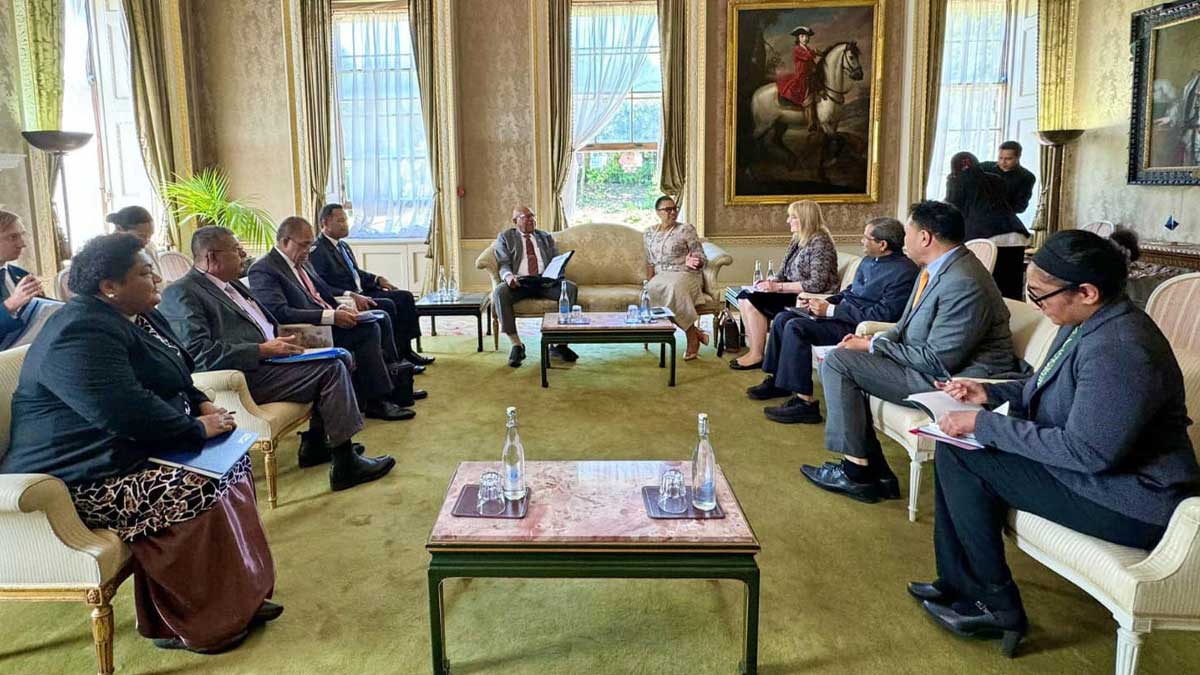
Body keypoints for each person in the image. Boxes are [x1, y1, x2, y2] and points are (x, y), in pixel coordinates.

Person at [912, 230, 1200, 656]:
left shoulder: (1121, 347)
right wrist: (987, 393)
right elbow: (1043, 388)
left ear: (1086, 292)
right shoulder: (1086, 323)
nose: (1035, 304)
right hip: (1100, 475)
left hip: (1134, 499)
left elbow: (1088, 452)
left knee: (964, 454)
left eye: (1040, 294)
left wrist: (983, 425)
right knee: (959, 449)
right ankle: (959, 583)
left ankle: (995, 605)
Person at [0, 233, 280, 654]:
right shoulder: (79, 331)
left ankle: (241, 598)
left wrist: (201, 403)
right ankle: (189, 624)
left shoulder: (139, 315)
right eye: (146, 274)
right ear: (109, 286)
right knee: (196, 485)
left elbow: (178, 371)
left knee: (233, 462)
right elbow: (123, 410)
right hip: (75, 477)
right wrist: (196, 430)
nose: (158, 280)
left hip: (127, 451)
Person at [802, 200, 1029, 503]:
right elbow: (902, 326)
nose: (903, 240)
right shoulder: (935, 270)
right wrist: (870, 342)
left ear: (925, 237)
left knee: (838, 362)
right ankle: (875, 471)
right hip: (926, 366)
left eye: (907, 233)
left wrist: (872, 345)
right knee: (842, 356)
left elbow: (938, 360)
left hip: (955, 379)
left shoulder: (964, 281)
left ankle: (857, 473)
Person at [160, 225, 398, 490]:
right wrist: (261, 350)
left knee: (341, 356)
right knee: (332, 368)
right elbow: (198, 354)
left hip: (274, 357)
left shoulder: (231, 284)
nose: (244, 255)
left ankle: (316, 444)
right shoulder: (182, 292)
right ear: (211, 258)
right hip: (246, 374)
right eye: (236, 250)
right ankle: (345, 465)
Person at [749, 217, 919, 424]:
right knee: (783, 317)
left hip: (855, 327)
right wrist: (824, 302)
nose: (862, 241)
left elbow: (883, 315)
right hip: (840, 315)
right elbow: (850, 293)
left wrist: (831, 310)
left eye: (866, 238)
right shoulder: (868, 261)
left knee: (796, 327)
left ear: (882, 245)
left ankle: (805, 404)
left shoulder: (905, 272)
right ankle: (778, 382)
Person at [248, 217, 420, 420]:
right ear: (285, 241)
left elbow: (324, 293)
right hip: (302, 332)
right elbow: (278, 312)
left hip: (324, 321)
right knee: (367, 331)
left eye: (311, 245)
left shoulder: (302, 261)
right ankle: (377, 401)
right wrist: (330, 316)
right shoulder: (264, 268)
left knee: (377, 319)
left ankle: (396, 385)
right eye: (304, 245)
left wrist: (341, 307)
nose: (308, 250)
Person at [308, 203, 433, 369]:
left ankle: (406, 351)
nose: (346, 224)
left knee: (405, 297)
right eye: (340, 221)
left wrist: (377, 279)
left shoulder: (342, 245)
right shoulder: (318, 250)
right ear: (325, 223)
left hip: (363, 291)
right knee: (388, 305)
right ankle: (394, 359)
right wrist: (350, 294)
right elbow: (321, 285)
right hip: (347, 299)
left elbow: (355, 273)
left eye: (346, 220)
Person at [730, 200, 839, 369]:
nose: (788, 221)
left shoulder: (820, 242)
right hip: (789, 291)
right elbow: (783, 271)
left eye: (793, 217)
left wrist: (778, 287)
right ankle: (754, 351)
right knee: (744, 296)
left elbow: (816, 284)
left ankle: (757, 355)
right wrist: (770, 282)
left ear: (805, 218)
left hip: (806, 298)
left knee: (752, 301)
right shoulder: (798, 239)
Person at [491, 206, 579, 368]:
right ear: (515, 221)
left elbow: (555, 260)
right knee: (500, 292)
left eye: (533, 216)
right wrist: (509, 277)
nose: (531, 220)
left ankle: (560, 344)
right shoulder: (506, 237)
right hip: (520, 283)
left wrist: (555, 274)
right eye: (526, 217)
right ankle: (517, 345)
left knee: (570, 288)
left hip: (544, 282)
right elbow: (503, 263)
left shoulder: (545, 237)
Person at [945, 151, 1028, 301]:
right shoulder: (997, 179)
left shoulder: (956, 180)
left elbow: (952, 209)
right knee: (1012, 288)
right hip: (1015, 234)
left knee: (986, 288)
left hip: (984, 236)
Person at [644, 196, 709, 360]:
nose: (673, 212)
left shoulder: (686, 229)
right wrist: (648, 282)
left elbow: (701, 256)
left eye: (674, 208)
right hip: (662, 276)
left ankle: (691, 338)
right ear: (658, 212)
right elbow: (650, 261)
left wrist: (696, 261)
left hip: (686, 273)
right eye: (668, 209)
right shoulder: (649, 233)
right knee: (650, 290)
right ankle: (695, 333)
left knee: (674, 289)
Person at [980, 141, 1036, 300]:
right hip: (983, 223)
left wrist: (1001, 206)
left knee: (1009, 281)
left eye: (1008, 158)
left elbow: (1020, 206)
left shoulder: (1026, 177)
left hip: (1007, 225)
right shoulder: (984, 168)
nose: (1003, 162)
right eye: (1000, 157)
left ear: (1018, 157)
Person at [0, 209, 54, 348]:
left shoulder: (21, 275)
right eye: (13, 237)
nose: (22, 244)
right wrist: (10, 305)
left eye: (21, 235)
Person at [775, 25, 821, 130]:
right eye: (802, 36)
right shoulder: (797, 49)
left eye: (807, 36)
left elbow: (811, 62)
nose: (806, 38)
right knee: (808, 97)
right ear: (798, 38)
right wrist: (815, 51)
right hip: (801, 77)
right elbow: (807, 56)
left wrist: (816, 68)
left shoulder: (807, 49)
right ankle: (811, 123)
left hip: (809, 76)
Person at [105, 205, 163, 278]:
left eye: (150, 236)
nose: (146, 241)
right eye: (141, 236)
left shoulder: (149, 247)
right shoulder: (107, 255)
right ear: (119, 229)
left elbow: (160, 279)